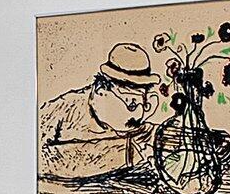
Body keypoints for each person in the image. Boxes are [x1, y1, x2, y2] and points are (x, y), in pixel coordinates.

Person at [38, 39, 160, 183]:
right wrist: (123, 153)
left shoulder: (142, 129)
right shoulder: (64, 109)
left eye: (141, 102)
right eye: (130, 103)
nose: (137, 115)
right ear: (101, 91)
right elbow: (37, 158)